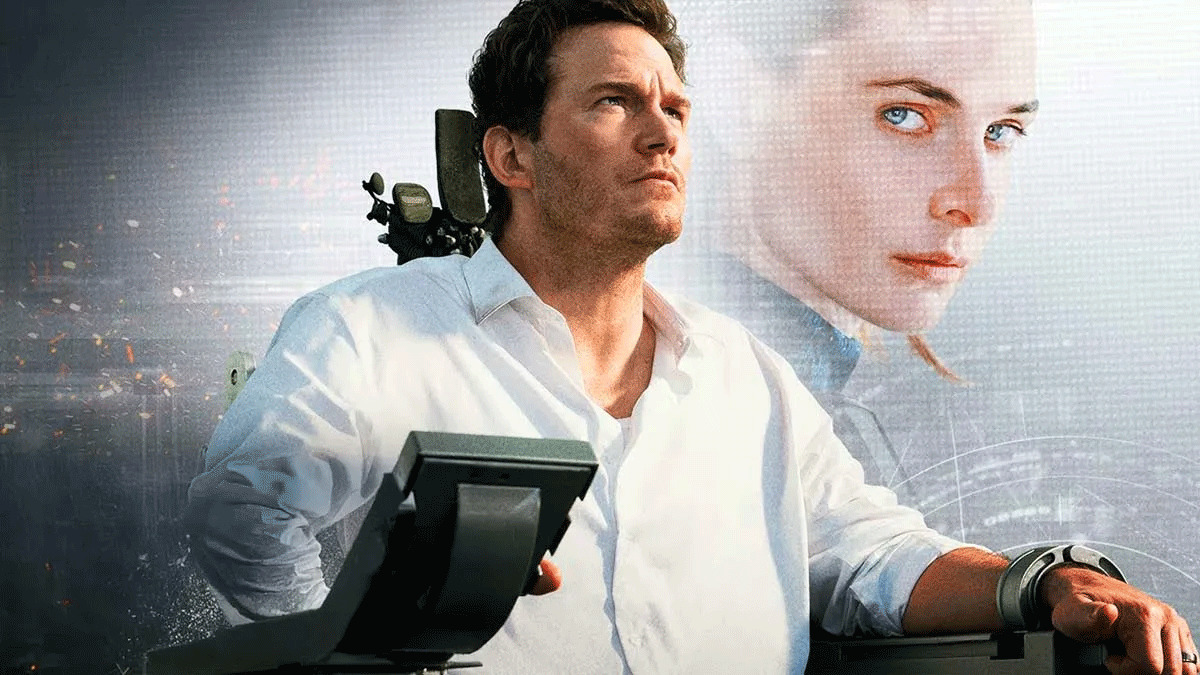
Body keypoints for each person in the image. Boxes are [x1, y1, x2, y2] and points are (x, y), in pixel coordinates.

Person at [185, 1, 1193, 673]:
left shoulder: (747, 377)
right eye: (613, 102)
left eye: (673, 107)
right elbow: (242, 513)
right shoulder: (372, 327)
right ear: (510, 155)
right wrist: (357, 655)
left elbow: (871, 555)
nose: (664, 132)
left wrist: (1041, 581)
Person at [666, 0, 1040, 491]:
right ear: (739, 97)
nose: (977, 203)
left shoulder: (796, 410)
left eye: (1000, 131)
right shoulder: (688, 422)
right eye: (904, 116)